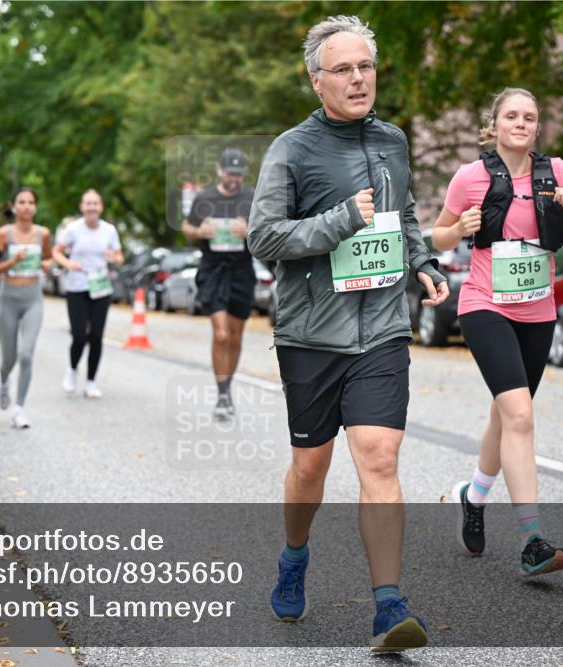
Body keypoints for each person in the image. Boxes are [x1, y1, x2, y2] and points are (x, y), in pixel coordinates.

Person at [248, 15, 448, 653]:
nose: (359, 78)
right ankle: (294, 555)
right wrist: (337, 220)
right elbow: (265, 237)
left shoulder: (392, 140)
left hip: (384, 327)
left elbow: (404, 214)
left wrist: (422, 263)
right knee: (311, 467)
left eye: (366, 66)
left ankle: (389, 607)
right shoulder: (291, 149)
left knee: (381, 459)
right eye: (344, 69)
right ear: (317, 81)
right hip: (312, 335)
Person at [432, 87, 563, 575]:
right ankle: (532, 540)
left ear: (537, 126)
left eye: (530, 117)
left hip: (538, 310)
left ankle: (474, 493)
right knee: (521, 414)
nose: (521, 123)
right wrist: (459, 226)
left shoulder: (558, 172)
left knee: (507, 416)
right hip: (484, 305)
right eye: (512, 115)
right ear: (495, 123)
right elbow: (439, 235)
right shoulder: (470, 176)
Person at [182, 148, 256, 420]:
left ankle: (226, 388)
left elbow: (266, 230)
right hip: (213, 270)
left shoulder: (251, 197)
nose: (234, 178)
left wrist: (248, 231)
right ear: (219, 171)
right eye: (230, 173)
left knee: (235, 336)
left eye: (238, 174)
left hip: (241, 271)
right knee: (221, 334)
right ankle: (222, 392)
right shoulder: (204, 198)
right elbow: (187, 226)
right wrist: (200, 231)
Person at [0, 187, 53, 428]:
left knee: (26, 354)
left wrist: (47, 264)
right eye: (21, 202)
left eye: (30, 202)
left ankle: (19, 407)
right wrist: (13, 261)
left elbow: (48, 257)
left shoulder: (43, 234)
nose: (26, 206)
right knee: (9, 357)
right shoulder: (3, 234)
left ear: (35, 207)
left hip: (33, 298)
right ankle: (4, 380)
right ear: (14, 207)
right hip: (8, 299)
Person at [52, 189, 123, 399]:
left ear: (101, 207)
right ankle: (72, 370)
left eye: (95, 203)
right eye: (88, 203)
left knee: (97, 337)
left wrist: (115, 257)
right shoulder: (73, 229)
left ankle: (91, 381)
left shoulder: (109, 230)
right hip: (77, 287)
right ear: (82, 207)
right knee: (80, 335)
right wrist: (68, 263)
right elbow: (57, 251)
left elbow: (119, 255)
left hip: (100, 287)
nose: (91, 207)